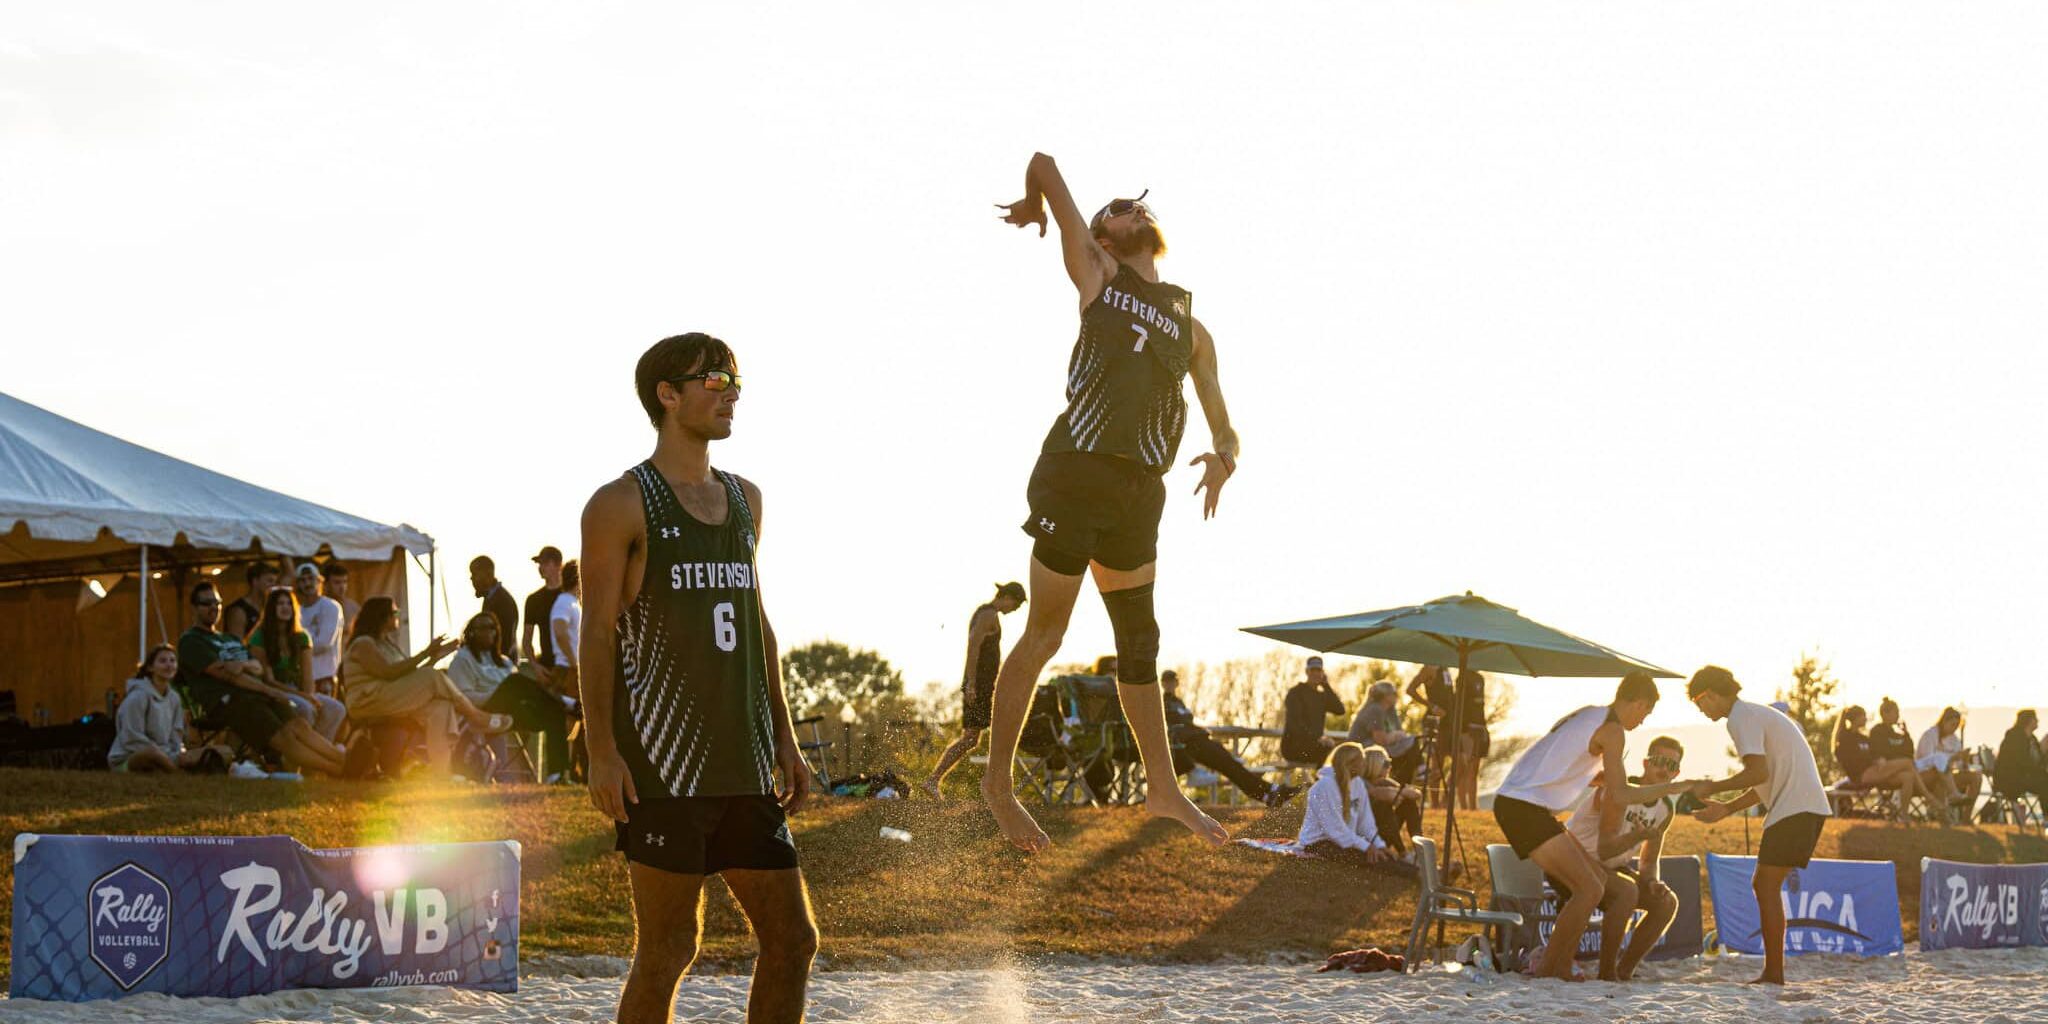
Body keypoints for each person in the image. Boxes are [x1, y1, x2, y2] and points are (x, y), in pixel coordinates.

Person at [981, 154, 1242, 854]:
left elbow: (1222, 415)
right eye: (1120, 206)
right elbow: (1042, 162)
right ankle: (998, 787)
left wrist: (1225, 455)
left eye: (1141, 205)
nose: (1136, 208)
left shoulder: (1189, 324)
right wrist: (1039, 204)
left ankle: (1163, 788)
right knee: (1047, 633)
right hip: (1077, 471)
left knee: (1140, 643)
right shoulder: (1098, 272)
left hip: (1139, 489)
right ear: (1100, 234)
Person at [579, 333, 817, 1024]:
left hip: (744, 760)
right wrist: (600, 750)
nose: (730, 390)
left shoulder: (746, 499)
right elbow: (595, 632)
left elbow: (756, 619)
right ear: (668, 394)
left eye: (735, 378)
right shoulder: (620, 502)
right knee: (668, 949)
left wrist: (786, 734)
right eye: (714, 378)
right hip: (662, 763)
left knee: (793, 940)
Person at [1490, 671, 1698, 981]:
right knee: (1589, 888)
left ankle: (1559, 966)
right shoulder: (1613, 730)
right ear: (1639, 703)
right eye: (1646, 712)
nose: (1643, 720)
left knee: (1593, 887)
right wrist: (1672, 788)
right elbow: (1621, 794)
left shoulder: (1589, 715)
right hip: (1522, 806)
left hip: (1523, 803)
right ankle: (1550, 969)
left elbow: (1574, 765)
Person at [1687, 665, 1834, 986]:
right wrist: (1726, 808)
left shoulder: (1741, 718)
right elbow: (1763, 780)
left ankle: (1774, 973)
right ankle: (1774, 971)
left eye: (1699, 704)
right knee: (1765, 885)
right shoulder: (1755, 714)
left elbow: (1757, 773)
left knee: (1764, 885)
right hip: (1803, 806)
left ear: (1709, 694)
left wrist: (1709, 787)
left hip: (1796, 808)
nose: (1701, 711)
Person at [176, 581, 349, 775]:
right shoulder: (191, 640)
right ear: (194, 607)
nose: (213, 607)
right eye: (206, 603)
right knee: (285, 739)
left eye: (217, 602)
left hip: (256, 694)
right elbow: (231, 678)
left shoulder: (230, 639)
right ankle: (339, 769)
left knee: (299, 725)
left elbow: (257, 668)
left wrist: (241, 666)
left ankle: (345, 760)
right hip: (228, 702)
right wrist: (269, 689)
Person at [1558, 736, 1685, 980]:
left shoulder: (1665, 808)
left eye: (1670, 766)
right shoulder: (1619, 790)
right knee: (1626, 891)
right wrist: (1636, 835)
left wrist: (1652, 882)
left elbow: (1649, 860)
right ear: (1646, 763)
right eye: (1659, 761)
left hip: (1610, 869)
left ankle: (1624, 970)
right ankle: (1607, 973)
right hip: (1572, 860)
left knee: (1666, 901)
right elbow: (1605, 849)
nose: (1663, 769)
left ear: (1676, 773)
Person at [342, 595, 510, 776]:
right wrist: (424, 654)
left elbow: (411, 677)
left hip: (389, 697)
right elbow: (387, 673)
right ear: (382, 616)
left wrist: (435, 657)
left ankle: (441, 774)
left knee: (441, 707)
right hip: (367, 700)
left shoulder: (388, 645)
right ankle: (475, 715)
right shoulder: (363, 643)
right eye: (395, 612)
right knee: (432, 676)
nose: (398, 615)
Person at [922, 582, 1027, 799]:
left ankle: (992, 784)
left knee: (975, 737)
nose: (1015, 610)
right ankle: (934, 780)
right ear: (1006, 596)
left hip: (984, 685)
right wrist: (971, 683)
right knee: (971, 737)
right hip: (978, 685)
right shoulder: (988, 615)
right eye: (1015, 605)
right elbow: (973, 647)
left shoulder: (989, 614)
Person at [447, 612, 573, 783]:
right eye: (483, 627)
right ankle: (566, 702)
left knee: (554, 712)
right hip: (482, 711)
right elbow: (461, 697)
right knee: (513, 682)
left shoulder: (504, 662)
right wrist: (497, 692)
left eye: (493, 628)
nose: (490, 632)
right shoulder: (462, 660)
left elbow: (522, 691)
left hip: (512, 711)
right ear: (472, 632)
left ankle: (557, 776)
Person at [1158, 669, 1301, 807]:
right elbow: (1169, 728)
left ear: (1176, 683)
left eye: (1173, 681)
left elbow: (1188, 724)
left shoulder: (1179, 702)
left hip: (1200, 741)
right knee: (1231, 766)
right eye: (1167, 681)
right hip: (1189, 745)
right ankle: (1272, 790)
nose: (1170, 684)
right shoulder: (1162, 702)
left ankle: (1267, 795)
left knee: (1232, 767)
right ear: (1163, 683)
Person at [1296, 742, 1417, 877]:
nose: (1365, 764)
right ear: (1350, 763)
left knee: (1382, 855)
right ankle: (1415, 874)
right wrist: (1367, 847)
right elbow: (1335, 831)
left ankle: (1417, 872)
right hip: (1318, 842)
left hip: (1343, 839)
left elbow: (1366, 822)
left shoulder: (1357, 783)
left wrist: (1379, 845)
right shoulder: (1325, 786)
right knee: (1368, 858)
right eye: (1362, 761)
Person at [109, 644, 234, 773]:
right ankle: (177, 773)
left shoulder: (174, 698)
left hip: (168, 755)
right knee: (152, 754)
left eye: (172, 661)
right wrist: (162, 754)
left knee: (225, 751)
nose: (169, 665)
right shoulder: (138, 696)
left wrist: (179, 755)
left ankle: (175, 768)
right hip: (133, 756)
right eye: (163, 661)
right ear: (150, 667)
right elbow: (131, 737)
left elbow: (176, 736)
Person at [250, 586, 347, 741]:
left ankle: (320, 750)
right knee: (305, 708)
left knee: (336, 709)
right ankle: (302, 752)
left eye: (289, 603)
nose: (285, 607)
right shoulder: (259, 637)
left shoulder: (301, 637)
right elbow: (269, 681)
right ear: (271, 608)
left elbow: (308, 677)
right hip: (272, 691)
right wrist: (304, 697)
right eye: (280, 604)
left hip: (298, 690)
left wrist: (309, 695)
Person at [1831, 705, 1930, 823]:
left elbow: (1872, 754)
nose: (1866, 719)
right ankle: (1929, 797)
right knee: (1907, 763)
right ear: (1855, 718)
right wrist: (1873, 762)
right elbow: (1848, 760)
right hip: (1861, 776)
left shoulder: (1863, 738)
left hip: (1874, 772)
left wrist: (1878, 759)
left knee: (1907, 776)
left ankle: (1904, 815)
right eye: (1863, 716)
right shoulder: (1845, 738)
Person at [1349, 680, 1421, 785]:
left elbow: (1401, 734)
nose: (1397, 696)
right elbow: (1381, 739)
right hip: (1364, 751)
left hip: (1380, 749)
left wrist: (1396, 736)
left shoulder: (1391, 711)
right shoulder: (1375, 709)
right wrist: (1395, 735)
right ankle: (1405, 783)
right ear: (1385, 696)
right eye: (1394, 694)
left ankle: (1403, 785)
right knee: (1411, 744)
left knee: (1412, 745)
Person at [1359, 744, 1424, 854]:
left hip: (1384, 833)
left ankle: (1419, 846)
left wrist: (1401, 792)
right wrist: (1401, 792)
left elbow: (1416, 794)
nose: (1390, 766)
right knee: (1384, 806)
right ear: (1374, 764)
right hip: (1368, 836)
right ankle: (1403, 852)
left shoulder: (1385, 781)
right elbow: (1390, 795)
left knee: (1408, 803)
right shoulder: (1361, 782)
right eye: (1386, 763)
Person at [1918, 706, 1984, 812]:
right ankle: (1944, 816)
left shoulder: (1955, 740)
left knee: (1976, 777)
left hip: (1948, 776)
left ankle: (1966, 818)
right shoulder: (1930, 735)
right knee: (1940, 779)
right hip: (1927, 775)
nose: (1954, 728)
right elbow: (1928, 761)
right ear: (1944, 721)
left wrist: (1965, 761)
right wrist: (1952, 758)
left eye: (1957, 725)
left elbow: (1958, 767)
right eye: (1952, 724)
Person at [1405, 664, 1454, 805]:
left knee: (1460, 762)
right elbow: (1410, 689)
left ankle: (1445, 800)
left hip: (1450, 722)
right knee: (1437, 762)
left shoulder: (1447, 668)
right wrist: (1431, 706)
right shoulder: (1429, 668)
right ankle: (1435, 804)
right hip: (1435, 721)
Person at [295, 563, 345, 697]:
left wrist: (297, 649)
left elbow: (324, 644)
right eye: (303, 580)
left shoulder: (330, 606)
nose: (307, 583)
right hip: (304, 677)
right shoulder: (297, 611)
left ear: (319, 581)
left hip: (325, 676)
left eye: (311, 579)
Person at [1282, 657, 1345, 765]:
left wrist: (1326, 685)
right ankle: (1322, 780)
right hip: (1293, 747)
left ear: (1323, 673)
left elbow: (1340, 710)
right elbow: (1295, 724)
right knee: (1328, 751)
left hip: (1315, 746)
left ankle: (1326, 780)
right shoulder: (1295, 693)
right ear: (1307, 672)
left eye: (1319, 670)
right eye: (1313, 670)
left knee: (1344, 749)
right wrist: (1318, 739)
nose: (1316, 673)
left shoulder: (1321, 697)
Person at [523, 545, 567, 679]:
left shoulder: (572, 596)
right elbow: (526, 640)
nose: (541, 567)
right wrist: (535, 666)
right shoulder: (533, 600)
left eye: (546, 563)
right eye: (540, 563)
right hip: (548, 669)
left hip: (573, 667)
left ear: (559, 565)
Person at [470, 555, 522, 661]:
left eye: (474, 574)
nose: (471, 578)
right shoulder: (491, 599)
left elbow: (505, 639)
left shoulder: (502, 601)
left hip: (501, 667)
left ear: (487, 574)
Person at [1993, 710, 2048, 807]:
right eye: (2035, 718)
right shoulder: (2014, 736)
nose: (2038, 721)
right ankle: (2046, 817)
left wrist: (2044, 750)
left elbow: (2038, 762)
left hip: (2026, 776)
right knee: (2045, 784)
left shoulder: (2032, 739)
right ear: (2029, 720)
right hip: (2011, 779)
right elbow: (2021, 763)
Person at [1452, 669, 1489, 811]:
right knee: (1465, 768)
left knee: (1474, 770)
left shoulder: (1480, 678)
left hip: (1480, 726)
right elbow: (1459, 704)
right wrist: (1463, 729)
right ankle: (1464, 806)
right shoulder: (1462, 678)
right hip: (1467, 729)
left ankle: (1473, 806)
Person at [550, 560, 584, 689]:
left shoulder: (573, 603)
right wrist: (574, 665)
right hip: (566, 669)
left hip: (570, 668)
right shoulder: (564, 602)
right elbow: (560, 633)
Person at [225, 561, 278, 640]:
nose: (274, 586)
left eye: (275, 582)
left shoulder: (268, 606)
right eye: (270, 581)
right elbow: (237, 645)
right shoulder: (238, 610)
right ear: (255, 581)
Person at [320, 559, 359, 636]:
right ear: (326, 584)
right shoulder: (319, 607)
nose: (342, 587)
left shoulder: (353, 607)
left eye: (345, 582)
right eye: (337, 582)